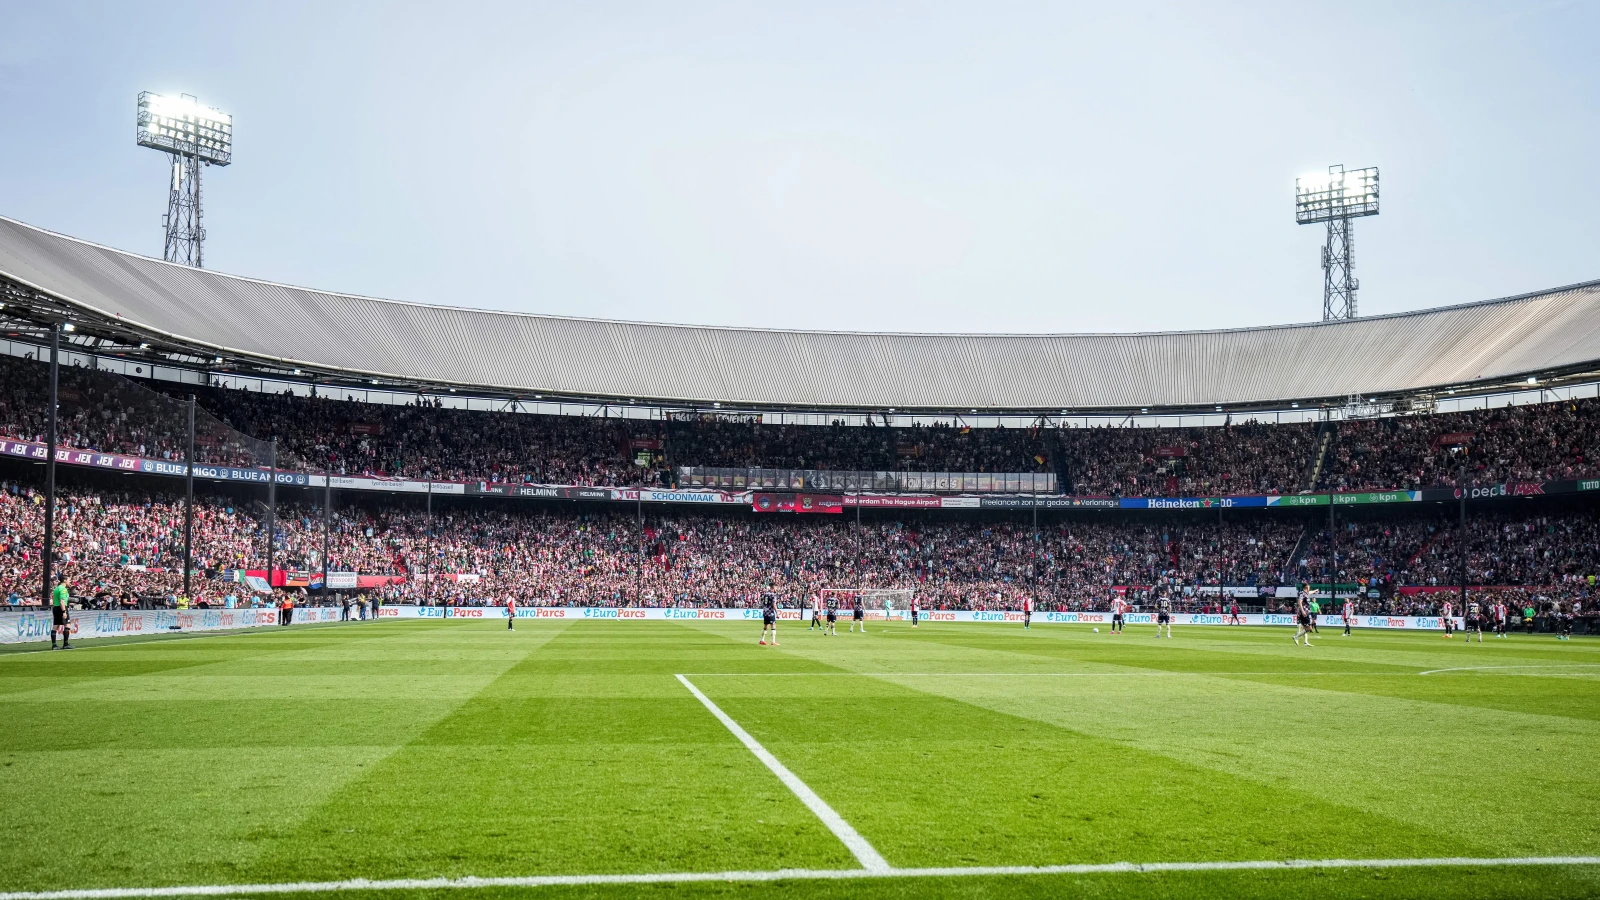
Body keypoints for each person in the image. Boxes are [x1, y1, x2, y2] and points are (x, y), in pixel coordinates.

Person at [50, 574, 72, 650]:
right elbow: (62, 601)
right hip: (61, 608)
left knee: (55, 626)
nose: (70, 582)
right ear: (65, 580)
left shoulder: (56, 588)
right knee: (67, 625)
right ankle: (65, 644)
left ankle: (54, 645)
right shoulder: (63, 589)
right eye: (69, 580)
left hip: (55, 607)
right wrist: (64, 611)